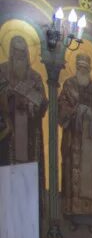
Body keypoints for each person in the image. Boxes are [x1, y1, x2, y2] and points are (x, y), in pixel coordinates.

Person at [58, 54, 92, 232]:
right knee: (74, 179)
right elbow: (62, 108)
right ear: (76, 68)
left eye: (86, 68)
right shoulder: (69, 86)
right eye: (80, 67)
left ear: (90, 69)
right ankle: (73, 218)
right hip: (75, 143)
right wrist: (77, 111)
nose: (83, 70)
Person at [0, 35, 48, 167]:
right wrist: (8, 95)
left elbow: (43, 103)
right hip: (8, 133)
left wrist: (32, 104)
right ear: (11, 51)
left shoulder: (35, 77)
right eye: (16, 51)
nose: (19, 55)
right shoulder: (2, 71)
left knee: (28, 170)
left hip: (30, 132)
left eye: (22, 52)